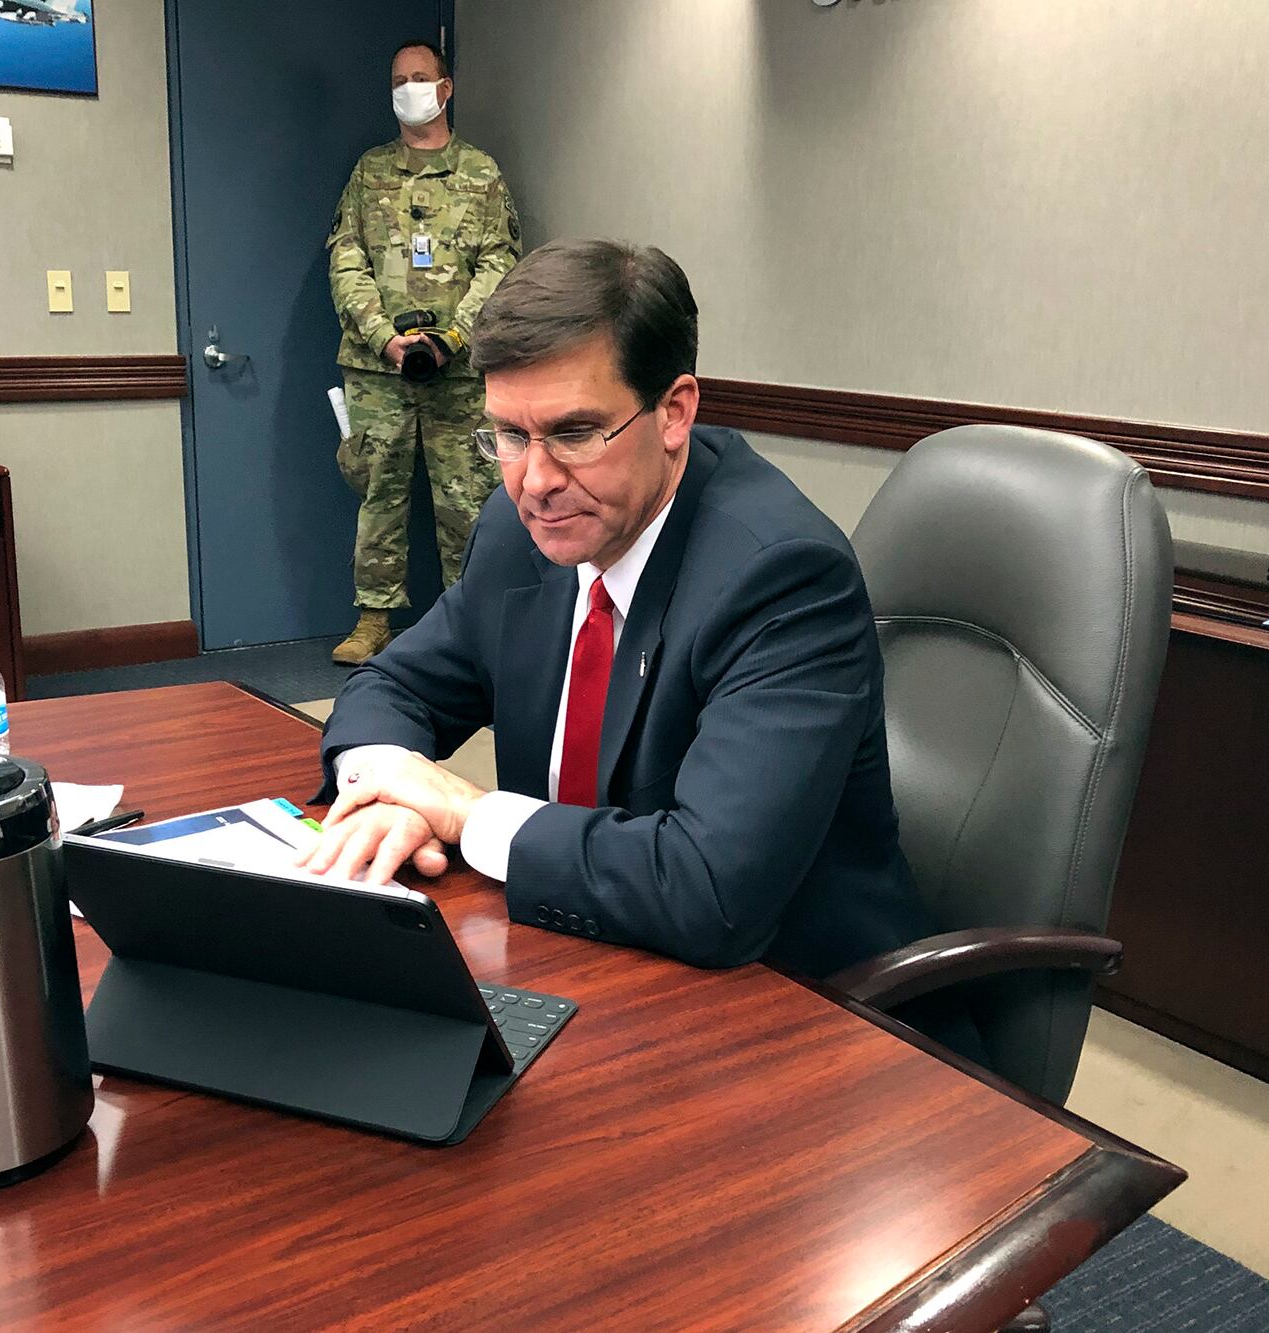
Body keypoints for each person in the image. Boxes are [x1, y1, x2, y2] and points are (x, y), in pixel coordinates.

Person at [303, 240, 944, 993]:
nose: (534, 481)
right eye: (509, 434)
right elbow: (390, 687)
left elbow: (709, 889)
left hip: (799, 1007)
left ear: (674, 411)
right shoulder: (522, 536)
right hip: (587, 956)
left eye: (574, 433)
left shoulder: (782, 578)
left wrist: (467, 812)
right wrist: (392, 787)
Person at [325, 38, 520, 666]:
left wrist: (453, 337)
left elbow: (500, 263)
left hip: (459, 369)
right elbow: (345, 256)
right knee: (378, 492)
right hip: (377, 367)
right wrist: (384, 336)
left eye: (419, 77)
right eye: (397, 79)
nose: (406, 88)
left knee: (469, 498)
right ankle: (373, 619)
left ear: (445, 88)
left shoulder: (481, 174)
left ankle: (472, 624)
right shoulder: (369, 172)